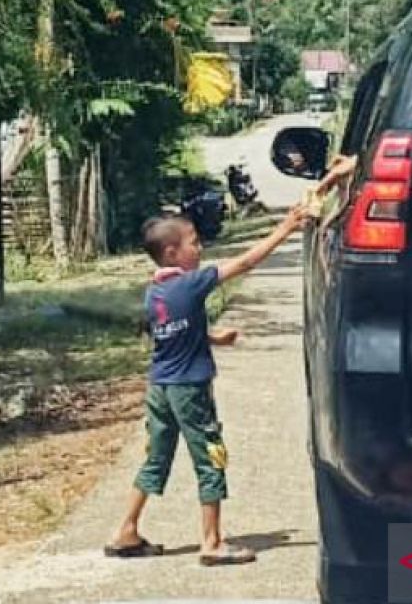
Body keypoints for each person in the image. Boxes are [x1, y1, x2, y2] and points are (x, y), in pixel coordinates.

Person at [105, 204, 308, 566]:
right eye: (194, 243)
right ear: (172, 253)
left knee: (155, 459)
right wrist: (286, 228)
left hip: (160, 388)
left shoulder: (154, 292)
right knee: (210, 457)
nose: (200, 249)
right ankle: (212, 542)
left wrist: (211, 337)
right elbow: (245, 263)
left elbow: (168, 334)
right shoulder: (192, 283)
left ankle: (126, 530)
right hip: (190, 390)